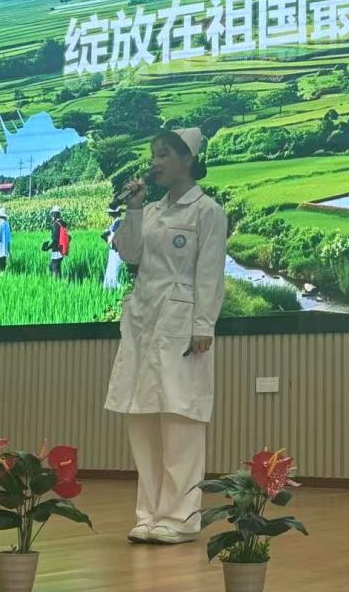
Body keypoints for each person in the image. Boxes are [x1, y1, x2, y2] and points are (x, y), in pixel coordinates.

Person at [106, 128, 226, 545]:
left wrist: (203, 325)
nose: (155, 162)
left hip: (181, 323)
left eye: (163, 155)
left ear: (187, 159)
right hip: (143, 320)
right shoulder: (153, 210)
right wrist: (135, 208)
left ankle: (181, 517)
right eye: (153, 154)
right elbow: (129, 253)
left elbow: (210, 272)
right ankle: (149, 514)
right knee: (142, 417)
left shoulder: (207, 211)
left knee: (180, 418)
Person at [102, 206, 124, 290]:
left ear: (113, 213)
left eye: (110, 213)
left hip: (116, 251)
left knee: (113, 273)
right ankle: (109, 291)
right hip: (114, 250)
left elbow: (111, 239)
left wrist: (107, 234)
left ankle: (121, 290)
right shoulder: (116, 223)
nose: (109, 214)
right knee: (110, 272)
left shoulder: (118, 223)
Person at [42, 206, 66, 278]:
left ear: (55, 214)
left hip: (57, 251)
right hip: (61, 249)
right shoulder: (62, 223)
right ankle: (58, 281)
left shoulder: (55, 224)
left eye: (52, 214)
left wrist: (48, 247)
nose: (51, 216)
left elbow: (55, 240)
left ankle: (57, 283)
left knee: (54, 268)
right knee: (54, 267)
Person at [0, 207, 12, 272]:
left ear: (0, 217)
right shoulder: (7, 225)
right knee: (3, 269)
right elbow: (8, 240)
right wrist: (8, 251)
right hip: (5, 251)